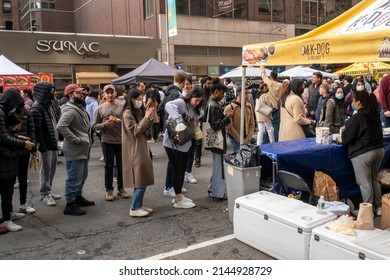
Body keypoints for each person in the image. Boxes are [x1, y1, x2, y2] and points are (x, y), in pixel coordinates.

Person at [342, 90, 384, 216]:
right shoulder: (374, 115)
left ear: (358, 102)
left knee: (364, 183)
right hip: (379, 150)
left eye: (354, 101)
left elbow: (346, 138)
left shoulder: (357, 118)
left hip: (363, 153)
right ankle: (380, 207)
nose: (352, 103)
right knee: (374, 179)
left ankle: (367, 211)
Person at [57, 84, 95, 216]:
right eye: (78, 93)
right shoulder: (71, 110)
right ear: (71, 95)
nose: (82, 94)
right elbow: (61, 127)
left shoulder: (78, 107)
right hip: (75, 149)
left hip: (82, 149)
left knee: (82, 176)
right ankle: (70, 204)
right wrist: (77, 139)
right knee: (74, 177)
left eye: (81, 92)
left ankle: (77, 197)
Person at [163, 88, 203, 209]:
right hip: (173, 143)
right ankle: (178, 197)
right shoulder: (181, 102)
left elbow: (196, 123)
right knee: (177, 169)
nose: (197, 103)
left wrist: (194, 123)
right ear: (190, 97)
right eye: (196, 100)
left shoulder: (195, 109)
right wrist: (180, 119)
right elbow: (168, 105)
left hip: (186, 143)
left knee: (182, 169)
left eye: (199, 101)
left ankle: (178, 195)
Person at [93, 85, 130, 201]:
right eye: (107, 93)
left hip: (120, 140)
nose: (109, 95)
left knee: (121, 166)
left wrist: (121, 122)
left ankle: (121, 188)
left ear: (115, 93)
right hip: (107, 141)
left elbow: (129, 121)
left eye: (111, 92)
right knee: (108, 166)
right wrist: (104, 125)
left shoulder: (122, 106)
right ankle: (108, 190)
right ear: (103, 94)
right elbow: (94, 126)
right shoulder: (99, 109)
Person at [122, 89, 155, 217]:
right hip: (135, 149)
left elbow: (144, 129)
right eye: (139, 98)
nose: (141, 101)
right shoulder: (127, 114)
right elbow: (135, 130)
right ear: (132, 99)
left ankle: (139, 204)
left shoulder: (135, 112)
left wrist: (149, 118)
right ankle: (134, 207)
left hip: (141, 147)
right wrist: (146, 118)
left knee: (142, 178)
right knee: (140, 179)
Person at [158, 70, 189, 198]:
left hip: (168, 128)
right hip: (175, 130)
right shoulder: (177, 94)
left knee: (173, 162)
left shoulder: (167, 93)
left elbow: (160, 108)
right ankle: (170, 187)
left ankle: (173, 186)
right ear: (182, 81)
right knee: (174, 162)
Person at [30, 82, 62, 206]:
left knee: (51, 169)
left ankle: (49, 190)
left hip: (52, 143)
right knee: (45, 170)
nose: (52, 93)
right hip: (45, 145)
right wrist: (41, 146)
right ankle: (45, 193)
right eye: (50, 91)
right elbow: (36, 130)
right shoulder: (37, 108)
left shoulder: (49, 106)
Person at [0, 113, 30, 232]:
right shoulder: (4, 138)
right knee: (6, 195)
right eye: (17, 126)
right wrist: (25, 149)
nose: (18, 129)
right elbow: (8, 154)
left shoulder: (9, 135)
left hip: (9, 170)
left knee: (9, 193)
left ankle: (10, 214)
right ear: (10, 126)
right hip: (4, 170)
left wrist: (20, 140)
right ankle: (7, 220)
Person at [206, 79, 234, 200]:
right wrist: (227, 117)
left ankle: (213, 188)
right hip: (217, 141)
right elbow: (216, 125)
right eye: (222, 93)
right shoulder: (213, 105)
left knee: (218, 165)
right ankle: (218, 192)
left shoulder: (212, 103)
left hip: (215, 141)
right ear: (216, 92)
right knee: (219, 167)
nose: (223, 96)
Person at [223, 84, 255, 152]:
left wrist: (248, 138)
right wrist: (240, 139)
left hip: (246, 138)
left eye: (248, 93)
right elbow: (230, 127)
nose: (248, 95)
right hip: (235, 139)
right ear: (239, 94)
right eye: (245, 93)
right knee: (238, 159)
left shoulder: (248, 106)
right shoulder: (230, 107)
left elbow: (252, 123)